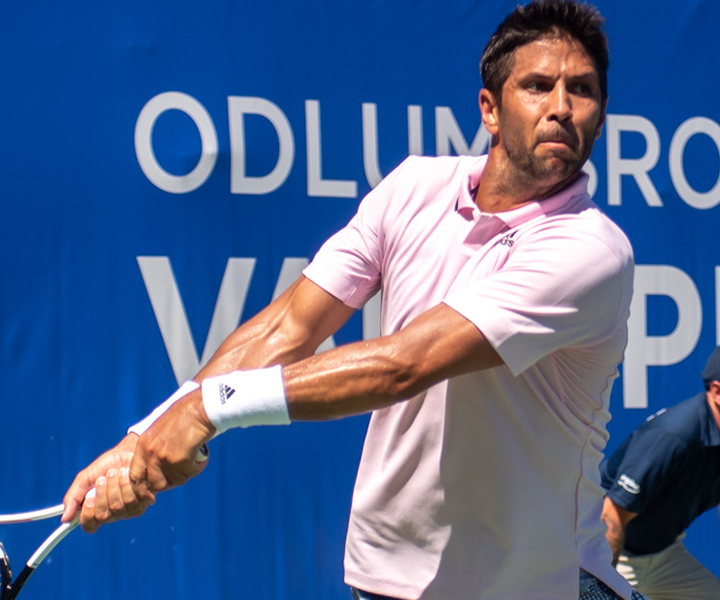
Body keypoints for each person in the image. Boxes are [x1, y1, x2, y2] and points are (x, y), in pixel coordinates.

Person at [63, 1, 645, 598]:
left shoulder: (590, 250)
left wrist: (207, 408)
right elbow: (288, 328)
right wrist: (141, 440)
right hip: (386, 575)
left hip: (535, 584)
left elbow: (403, 366)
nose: (561, 107)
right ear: (490, 109)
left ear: (600, 116)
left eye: (582, 90)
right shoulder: (415, 186)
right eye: (538, 86)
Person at [600, 346, 720, 600]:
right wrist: (603, 587)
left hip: (665, 555)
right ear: (717, 392)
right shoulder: (675, 437)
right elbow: (612, 515)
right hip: (610, 549)